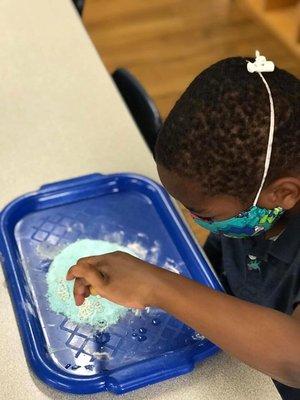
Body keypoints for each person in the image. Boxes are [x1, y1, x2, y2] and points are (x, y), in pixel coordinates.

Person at [66, 53, 300, 399]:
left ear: (282, 193)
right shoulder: (250, 207)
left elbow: (294, 359)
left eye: (203, 212)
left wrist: (157, 287)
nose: (195, 219)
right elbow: (216, 275)